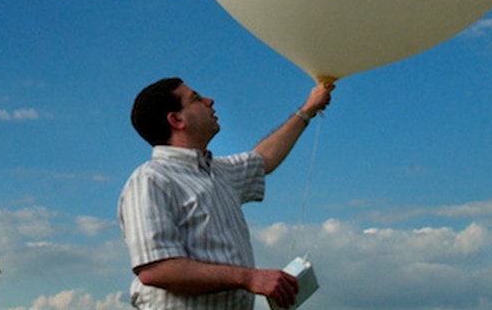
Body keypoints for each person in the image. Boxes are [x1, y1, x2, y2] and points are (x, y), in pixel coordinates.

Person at [118, 77, 333, 310]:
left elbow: (263, 159)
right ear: (177, 120)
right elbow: (156, 270)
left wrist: (308, 109)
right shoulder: (150, 180)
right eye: (196, 99)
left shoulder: (220, 172)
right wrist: (249, 277)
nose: (210, 101)